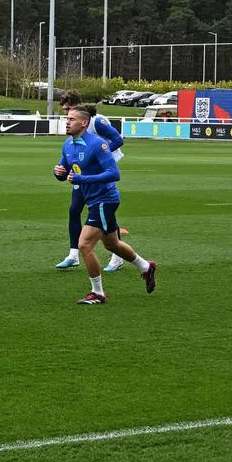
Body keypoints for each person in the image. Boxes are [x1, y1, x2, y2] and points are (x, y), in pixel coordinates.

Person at [54, 106, 158, 305]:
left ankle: (98, 293)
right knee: (112, 244)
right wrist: (58, 172)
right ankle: (146, 266)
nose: (67, 122)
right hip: (93, 199)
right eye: (67, 119)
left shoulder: (98, 144)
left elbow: (114, 174)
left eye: (72, 119)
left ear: (84, 123)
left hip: (104, 200)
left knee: (84, 244)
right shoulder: (68, 145)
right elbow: (64, 172)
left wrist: (82, 179)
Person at [55, 92, 128, 272]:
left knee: (104, 209)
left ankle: (118, 256)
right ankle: (73, 255)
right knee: (75, 209)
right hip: (83, 172)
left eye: (68, 110)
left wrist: (97, 155)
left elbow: (118, 139)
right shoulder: (72, 136)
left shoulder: (97, 122)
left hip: (101, 171)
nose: (66, 115)